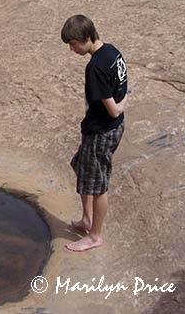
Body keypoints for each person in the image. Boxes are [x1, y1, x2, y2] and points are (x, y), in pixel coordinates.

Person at [61, 15, 128, 252]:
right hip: (108, 128)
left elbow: (112, 108)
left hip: (102, 131)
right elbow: (123, 87)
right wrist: (122, 105)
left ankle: (95, 235)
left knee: (98, 184)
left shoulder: (95, 67)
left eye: (74, 44)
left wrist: (119, 108)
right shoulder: (113, 53)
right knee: (81, 165)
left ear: (87, 38)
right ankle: (87, 219)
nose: (72, 49)